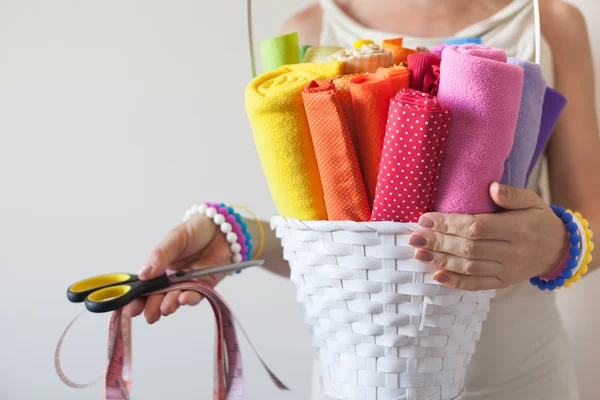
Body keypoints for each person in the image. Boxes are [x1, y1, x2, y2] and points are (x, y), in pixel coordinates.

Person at [125, 0, 600, 398]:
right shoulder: (309, 30)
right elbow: (335, 247)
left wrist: (559, 242)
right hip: (361, 378)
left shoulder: (550, 20)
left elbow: (591, 218)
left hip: (519, 378)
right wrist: (237, 236)